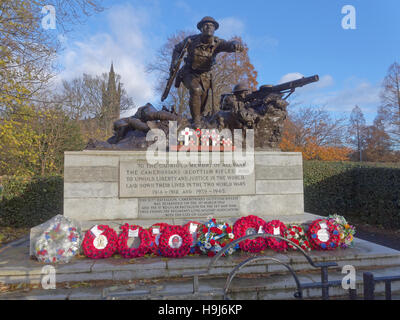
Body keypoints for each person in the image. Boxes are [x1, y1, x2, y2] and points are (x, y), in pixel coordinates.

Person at [170, 16, 244, 128]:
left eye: (211, 25)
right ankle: (196, 122)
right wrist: (174, 63)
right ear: (200, 29)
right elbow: (177, 48)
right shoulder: (191, 41)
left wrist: (235, 44)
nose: (208, 27)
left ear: (214, 29)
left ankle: (199, 118)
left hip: (205, 76)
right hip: (189, 72)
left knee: (203, 103)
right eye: (205, 25)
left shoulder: (217, 43)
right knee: (196, 90)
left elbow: (228, 45)